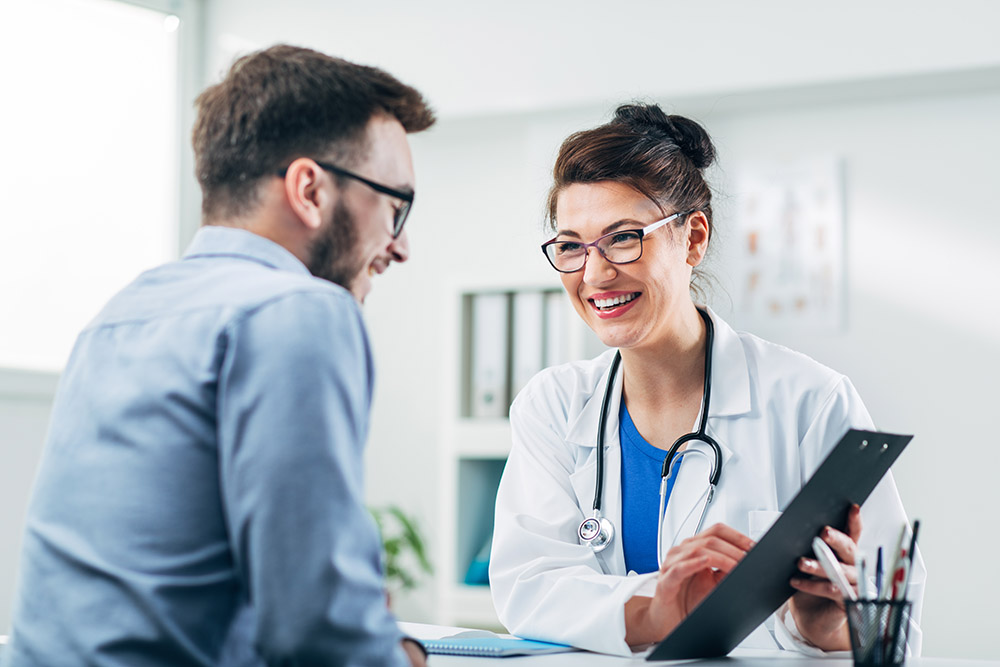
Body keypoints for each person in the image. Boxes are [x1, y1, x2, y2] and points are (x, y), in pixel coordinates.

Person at [3, 45, 434, 666]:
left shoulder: (121, 313)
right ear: (309, 189)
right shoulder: (298, 310)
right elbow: (320, 632)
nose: (401, 246)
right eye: (395, 206)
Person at [488, 103, 925, 657]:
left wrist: (822, 626)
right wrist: (655, 610)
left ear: (693, 238)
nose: (595, 273)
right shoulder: (551, 406)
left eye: (623, 238)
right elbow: (530, 588)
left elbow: (892, 626)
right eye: (572, 245)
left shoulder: (811, 402)